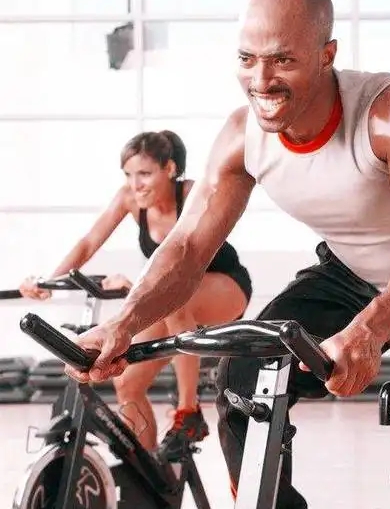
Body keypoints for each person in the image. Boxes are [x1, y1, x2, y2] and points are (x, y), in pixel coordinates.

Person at [60, 0, 390, 509]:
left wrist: (367, 333)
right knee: (241, 381)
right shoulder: (242, 137)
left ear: (327, 55)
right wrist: (122, 324)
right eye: (247, 59)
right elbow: (187, 248)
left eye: (282, 60)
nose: (261, 80)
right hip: (350, 278)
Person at [19, 130, 252, 461]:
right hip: (173, 302)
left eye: (144, 173)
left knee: (175, 300)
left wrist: (133, 287)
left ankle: (189, 413)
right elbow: (89, 242)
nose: (135, 184)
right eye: (128, 175)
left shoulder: (192, 194)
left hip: (224, 287)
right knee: (127, 382)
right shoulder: (129, 199)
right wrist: (49, 280)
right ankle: (149, 471)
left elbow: (185, 259)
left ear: (169, 169)